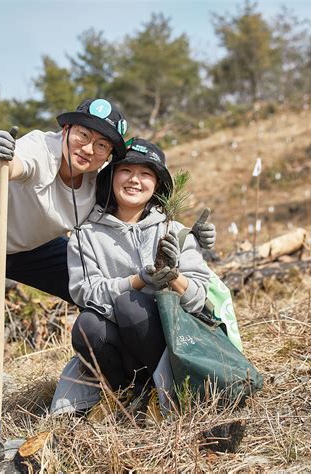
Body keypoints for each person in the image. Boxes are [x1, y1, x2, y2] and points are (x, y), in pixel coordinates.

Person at [0, 98, 215, 450]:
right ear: (66, 130)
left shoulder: (95, 184)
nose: (88, 148)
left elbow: (132, 223)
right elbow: (11, 166)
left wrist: (191, 241)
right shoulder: (38, 150)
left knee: (93, 287)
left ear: (109, 155)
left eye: (102, 145)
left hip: (30, 246)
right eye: (83, 135)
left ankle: (128, 376)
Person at [51, 138, 210, 416]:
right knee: (88, 325)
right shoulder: (86, 235)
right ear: (111, 177)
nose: (134, 180)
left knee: (131, 307)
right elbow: (84, 292)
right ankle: (128, 394)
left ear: (158, 185)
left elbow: (198, 299)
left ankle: (170, 394)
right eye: (126, 171)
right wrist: (137, 281)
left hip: (170, 347)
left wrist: (172, 277)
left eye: (146, 174)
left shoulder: (175, 231)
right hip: (121, 348)